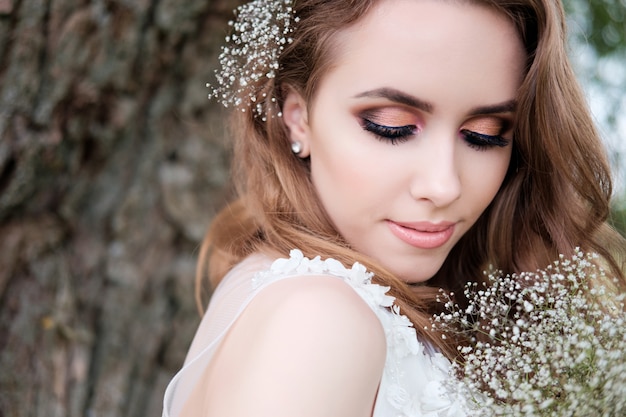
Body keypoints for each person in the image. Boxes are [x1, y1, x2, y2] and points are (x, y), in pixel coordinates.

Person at [162, 0, 626, 415]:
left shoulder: (280, 286)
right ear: (297, 117)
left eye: (486, 133)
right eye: (392, 126)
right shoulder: (318, 322)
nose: (443, 185)